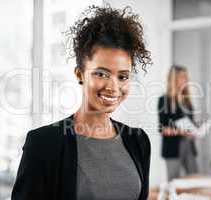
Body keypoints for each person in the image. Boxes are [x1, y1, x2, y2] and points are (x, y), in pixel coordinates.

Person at [11, 5, 152, 200]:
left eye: (123, 76)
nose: (113, 87)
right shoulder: (44, 144)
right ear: (80, 74)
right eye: (101, 73)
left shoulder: (138, 141)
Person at [158, 65, 198, 182]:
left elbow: (191, 123)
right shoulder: (164, 100)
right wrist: (181, 131)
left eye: (186, 77)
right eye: (183, 77)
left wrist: (196, 130)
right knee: (173, 182)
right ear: (174, 79)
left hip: (189, 147)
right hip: (173, 148)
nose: (187, 80)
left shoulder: (187, 100)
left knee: (194, 179)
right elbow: (162, 129)